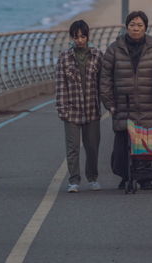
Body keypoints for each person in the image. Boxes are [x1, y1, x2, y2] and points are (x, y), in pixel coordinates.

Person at [100, 10, 152, 190]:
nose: (136, 29)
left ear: (146, 27)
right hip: (123, 105)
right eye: (132, 25)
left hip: (148, 105)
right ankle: (125, 176)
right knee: (123, 145)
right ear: (126, 27)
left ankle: (146, 178)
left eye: (140, 25)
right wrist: (109, 103)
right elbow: (105, 77)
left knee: (147, 144)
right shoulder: (114, 48)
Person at [55, 20, 103, 193]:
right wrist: (62, 109)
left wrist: (105, 105)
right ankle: (74, 180)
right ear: (72, 37)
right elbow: (60, 85)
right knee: (72, 148)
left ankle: (93, 178)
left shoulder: (97, 55)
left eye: (83, 36)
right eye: (76, 37)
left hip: (92, 110)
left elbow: (102, 83)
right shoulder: (64, 57)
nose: (80, 40)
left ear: (88, 36)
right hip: (71, 111)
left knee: (92, 147)